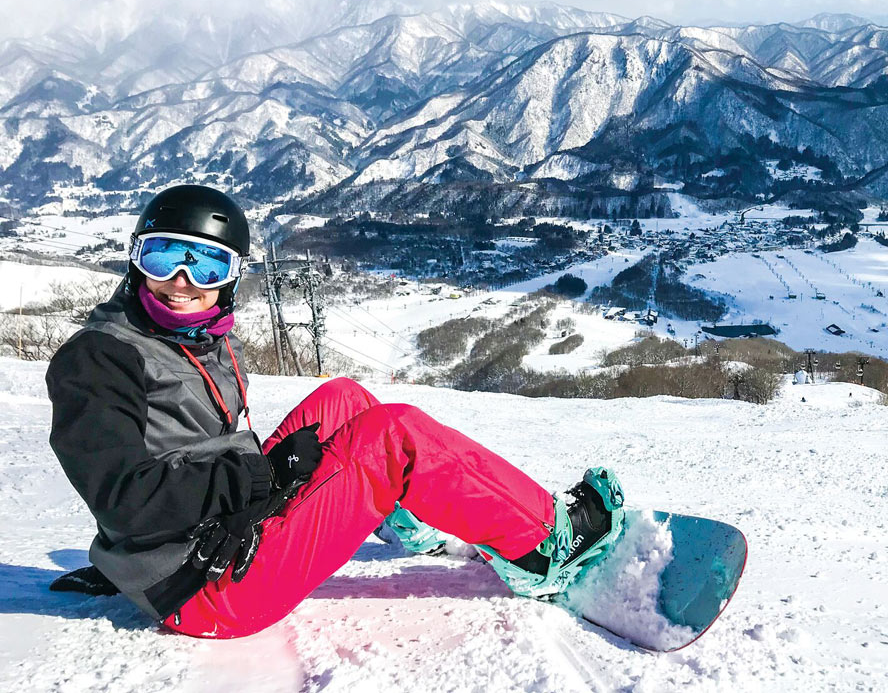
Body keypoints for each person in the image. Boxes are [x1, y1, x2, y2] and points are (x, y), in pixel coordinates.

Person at [46, 184, 624, 638]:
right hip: (207, 587)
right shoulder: (99, 359)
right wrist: (253, 477)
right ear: (135, 259)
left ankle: (406, 517)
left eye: (206, 267)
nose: (181, 282)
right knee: (394, 435)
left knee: (342, 398)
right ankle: (547, 544)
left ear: (231, 279)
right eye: (165, 255)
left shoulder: (192, 337)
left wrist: (258, 478)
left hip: (217, 533)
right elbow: (122, 497)